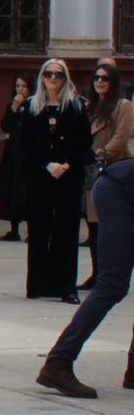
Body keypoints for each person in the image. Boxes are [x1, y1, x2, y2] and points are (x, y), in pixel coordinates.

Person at [38, 152, 134, 398]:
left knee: (113, 285)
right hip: (118, 190)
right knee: (112, 285)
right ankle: (58, 363)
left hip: (122, 187)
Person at [20, 58, 93, 305]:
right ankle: (37, 284)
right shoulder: (31, 106)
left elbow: (84, 140)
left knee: (67, 230)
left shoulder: (76, 106)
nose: (53, 78)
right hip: (40, 174)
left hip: (69, 174)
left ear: (65, 78)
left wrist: (66, 163)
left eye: (58, 74)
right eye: (49, 74)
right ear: (42, 77)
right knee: (39, 228)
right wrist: (47, 164)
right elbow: (25, 143)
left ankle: (66, 287)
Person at [83, 63, 133, 290]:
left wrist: (99, 155)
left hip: (114, 172)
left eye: (105, 78)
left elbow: (121, 138)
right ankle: (97, 274)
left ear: (114, 82)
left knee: (112, 227)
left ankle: (109, 275)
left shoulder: (123, 105)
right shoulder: (90, 107)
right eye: (96, 78)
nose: (100, 82)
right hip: (90, 172)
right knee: (94, 227)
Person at [0, 75, 34, 242]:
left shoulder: (36, 104)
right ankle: (13, 230)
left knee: (28, 191)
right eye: (18, 86)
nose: (20, 89)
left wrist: (15, 133)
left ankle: (32, 230)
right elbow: (5, 126)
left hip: (29, 153)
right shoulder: (12, 105)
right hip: (13, 153)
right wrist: (14, 108)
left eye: (24, 86)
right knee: (12, 189)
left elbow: (29, 128)